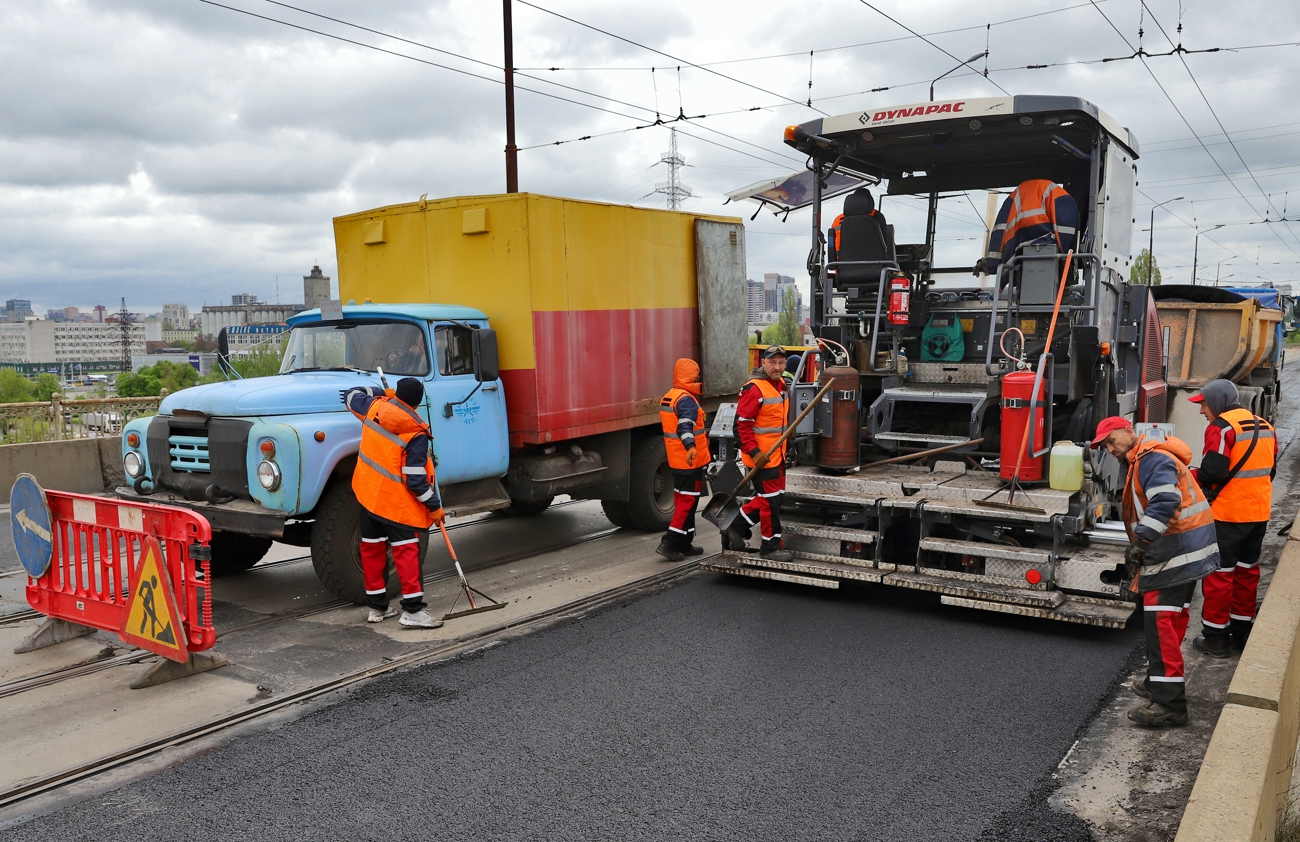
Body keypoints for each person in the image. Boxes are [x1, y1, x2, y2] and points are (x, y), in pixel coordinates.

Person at [1092, 416, 1220, 727]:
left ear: (1127, 430)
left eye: (1111, 441)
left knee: (1161, 624)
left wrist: (1142, 542)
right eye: (1104, 446)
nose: (1109, 449)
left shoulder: (1151, 459)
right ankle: (1159, 682)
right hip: (1184, 551)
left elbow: (1165, 502)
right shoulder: (1145, 457)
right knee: (1170, 622)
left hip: (1175, 553)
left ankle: (1170, 704)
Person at [345, 377, 445, 629]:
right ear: (419, 402)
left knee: (372, 549)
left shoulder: (375, 407)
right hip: (396, 505)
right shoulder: (415, 431)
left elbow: (349, 395)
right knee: (407, 553)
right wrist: (433, 506)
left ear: (397, 393)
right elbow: (415, 479)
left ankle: (377, 608)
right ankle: (412, 612)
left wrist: (380, 392)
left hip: (369, 497)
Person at [1188, 379, 1276, 657]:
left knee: (1219, 575)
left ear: (1217, 402)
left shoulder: (1222, 428)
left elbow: (1213, 471)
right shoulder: (1266, 426)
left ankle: (1215, 638)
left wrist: (1189, 474)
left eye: (1203, 404)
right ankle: (1241, 633)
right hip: (1258, 514)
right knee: (1247, 573)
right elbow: (1268, 471)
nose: (1202, 411)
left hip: (1227, 516)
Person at [727, 345, 794, 562]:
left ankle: (735, 525)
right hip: (761, 459)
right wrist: (755, 453)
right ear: (763, 363)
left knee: (773, 499)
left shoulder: (781, 385)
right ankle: (771, 547)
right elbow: (741, 427)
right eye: (772, 362)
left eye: (781, 363)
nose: (777, 367)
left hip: (777, 456)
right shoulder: (754, 389)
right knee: (770, 503)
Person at [656, 358, 711, 562]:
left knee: (684, 499)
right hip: (690, 462)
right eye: (696, 376)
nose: (698, 379)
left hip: (676, 461)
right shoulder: (686, 400)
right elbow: (684, 427)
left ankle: (684, 543)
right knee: (686, 503)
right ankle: (669, 543)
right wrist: (691, 447)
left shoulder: (670, 396)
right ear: (691, 377)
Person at [978, 179, 1079, 277]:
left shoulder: (1014, 196)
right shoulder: (1061, 197)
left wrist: (993, 263)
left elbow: (999, 231)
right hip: (1045, 249)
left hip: (1020, 250)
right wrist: (1065, 260)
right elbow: (1066, 231)